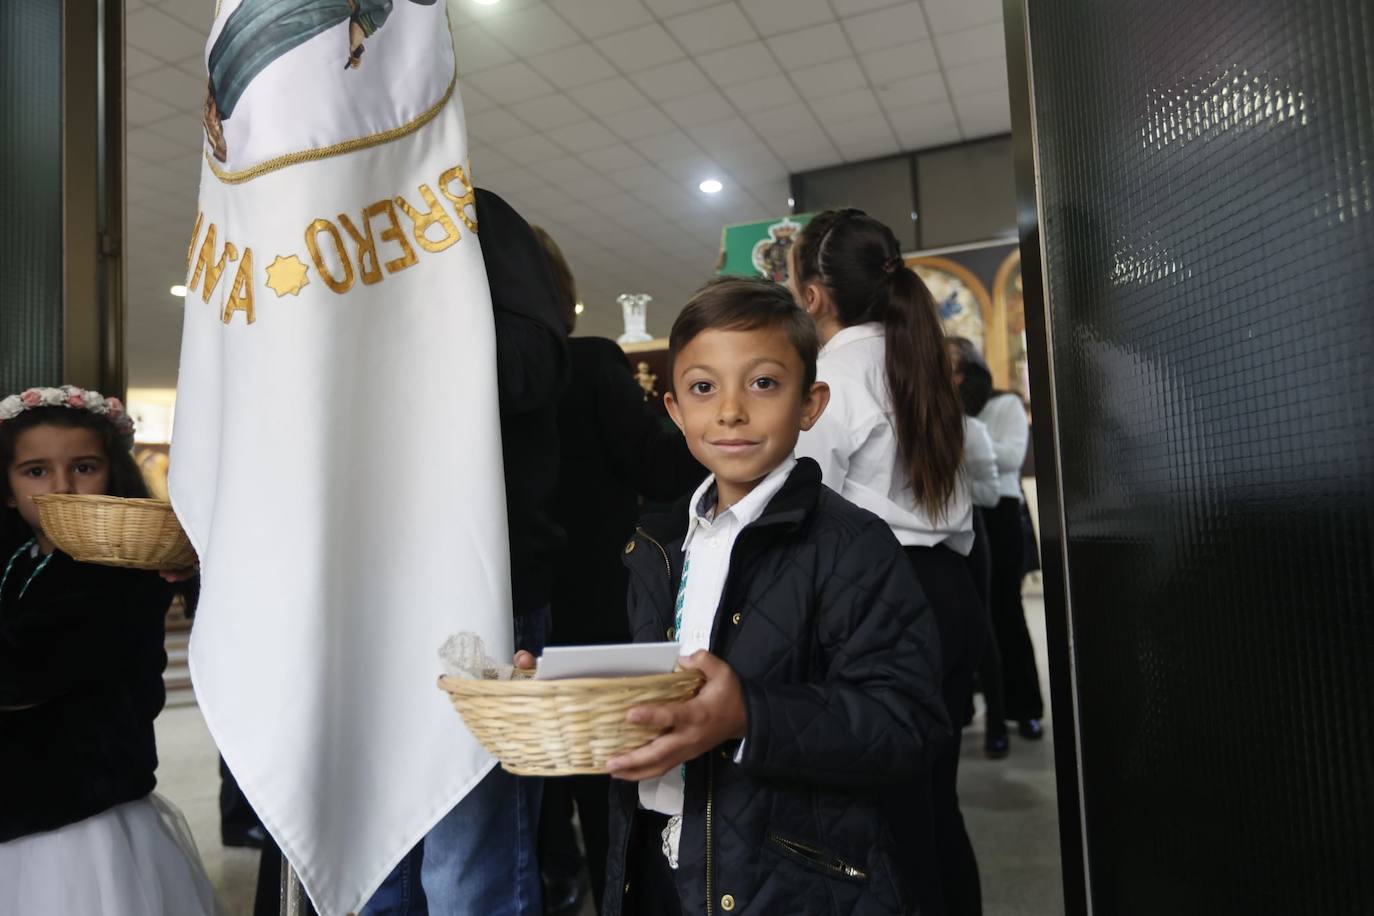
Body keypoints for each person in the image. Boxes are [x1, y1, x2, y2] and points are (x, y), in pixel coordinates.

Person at [551, 277, 945, 916]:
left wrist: (749, 717)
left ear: (811, 403)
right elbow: (657, 680)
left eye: (763, 383)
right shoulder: (654, 540)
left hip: (780, 872)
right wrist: (563, 691)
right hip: (654, 849)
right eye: (704, 388)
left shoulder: (852, 545)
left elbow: (906, 722)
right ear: (675, 410)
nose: (730, 410)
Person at [355, 188, 568, 916]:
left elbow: (532, 365)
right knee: (368, 854)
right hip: (355, 595)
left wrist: (389, 321)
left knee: (467, 860)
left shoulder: (469, 210)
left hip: (475, 588)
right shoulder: (302, 217)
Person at [788, 208, 984, 916]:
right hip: (946, 592)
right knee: (936, 806)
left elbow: (805, 503)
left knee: (891, 824)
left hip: (880, 601)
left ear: (812, 294)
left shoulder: (833, 375)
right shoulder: (919, 356)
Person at [530, 226, 703, 916]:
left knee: (525, 792)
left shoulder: (458, 373)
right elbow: (659, 469)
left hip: (503, 610)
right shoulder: (592, 363)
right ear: (562, 298)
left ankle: (554, 883)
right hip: (597, 608)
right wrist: (704, 420)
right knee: (613, 792)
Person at [0, 386, 218, 915]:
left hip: (73, 825)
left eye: (84, 467)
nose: (62, 487)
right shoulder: (19, 557)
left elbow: (20, 678)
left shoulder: (120, 572)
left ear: (113, 473)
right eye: (36, 471)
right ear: (7, 488)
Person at [974, 361, 1044, 741]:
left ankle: (1025, 707)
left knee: (1005, 611)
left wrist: (967, 439)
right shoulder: (944, 404)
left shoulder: (1006, 405)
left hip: (1000, 512)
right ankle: (970, 704)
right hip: (959, 510)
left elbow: (1010, 457)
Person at [947, 338, 1009, 760]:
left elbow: (988, 493)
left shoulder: (974, 430)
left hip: (970, 536)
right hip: (932, 543)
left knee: (981, 628)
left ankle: (998, 723)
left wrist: (945, 488)